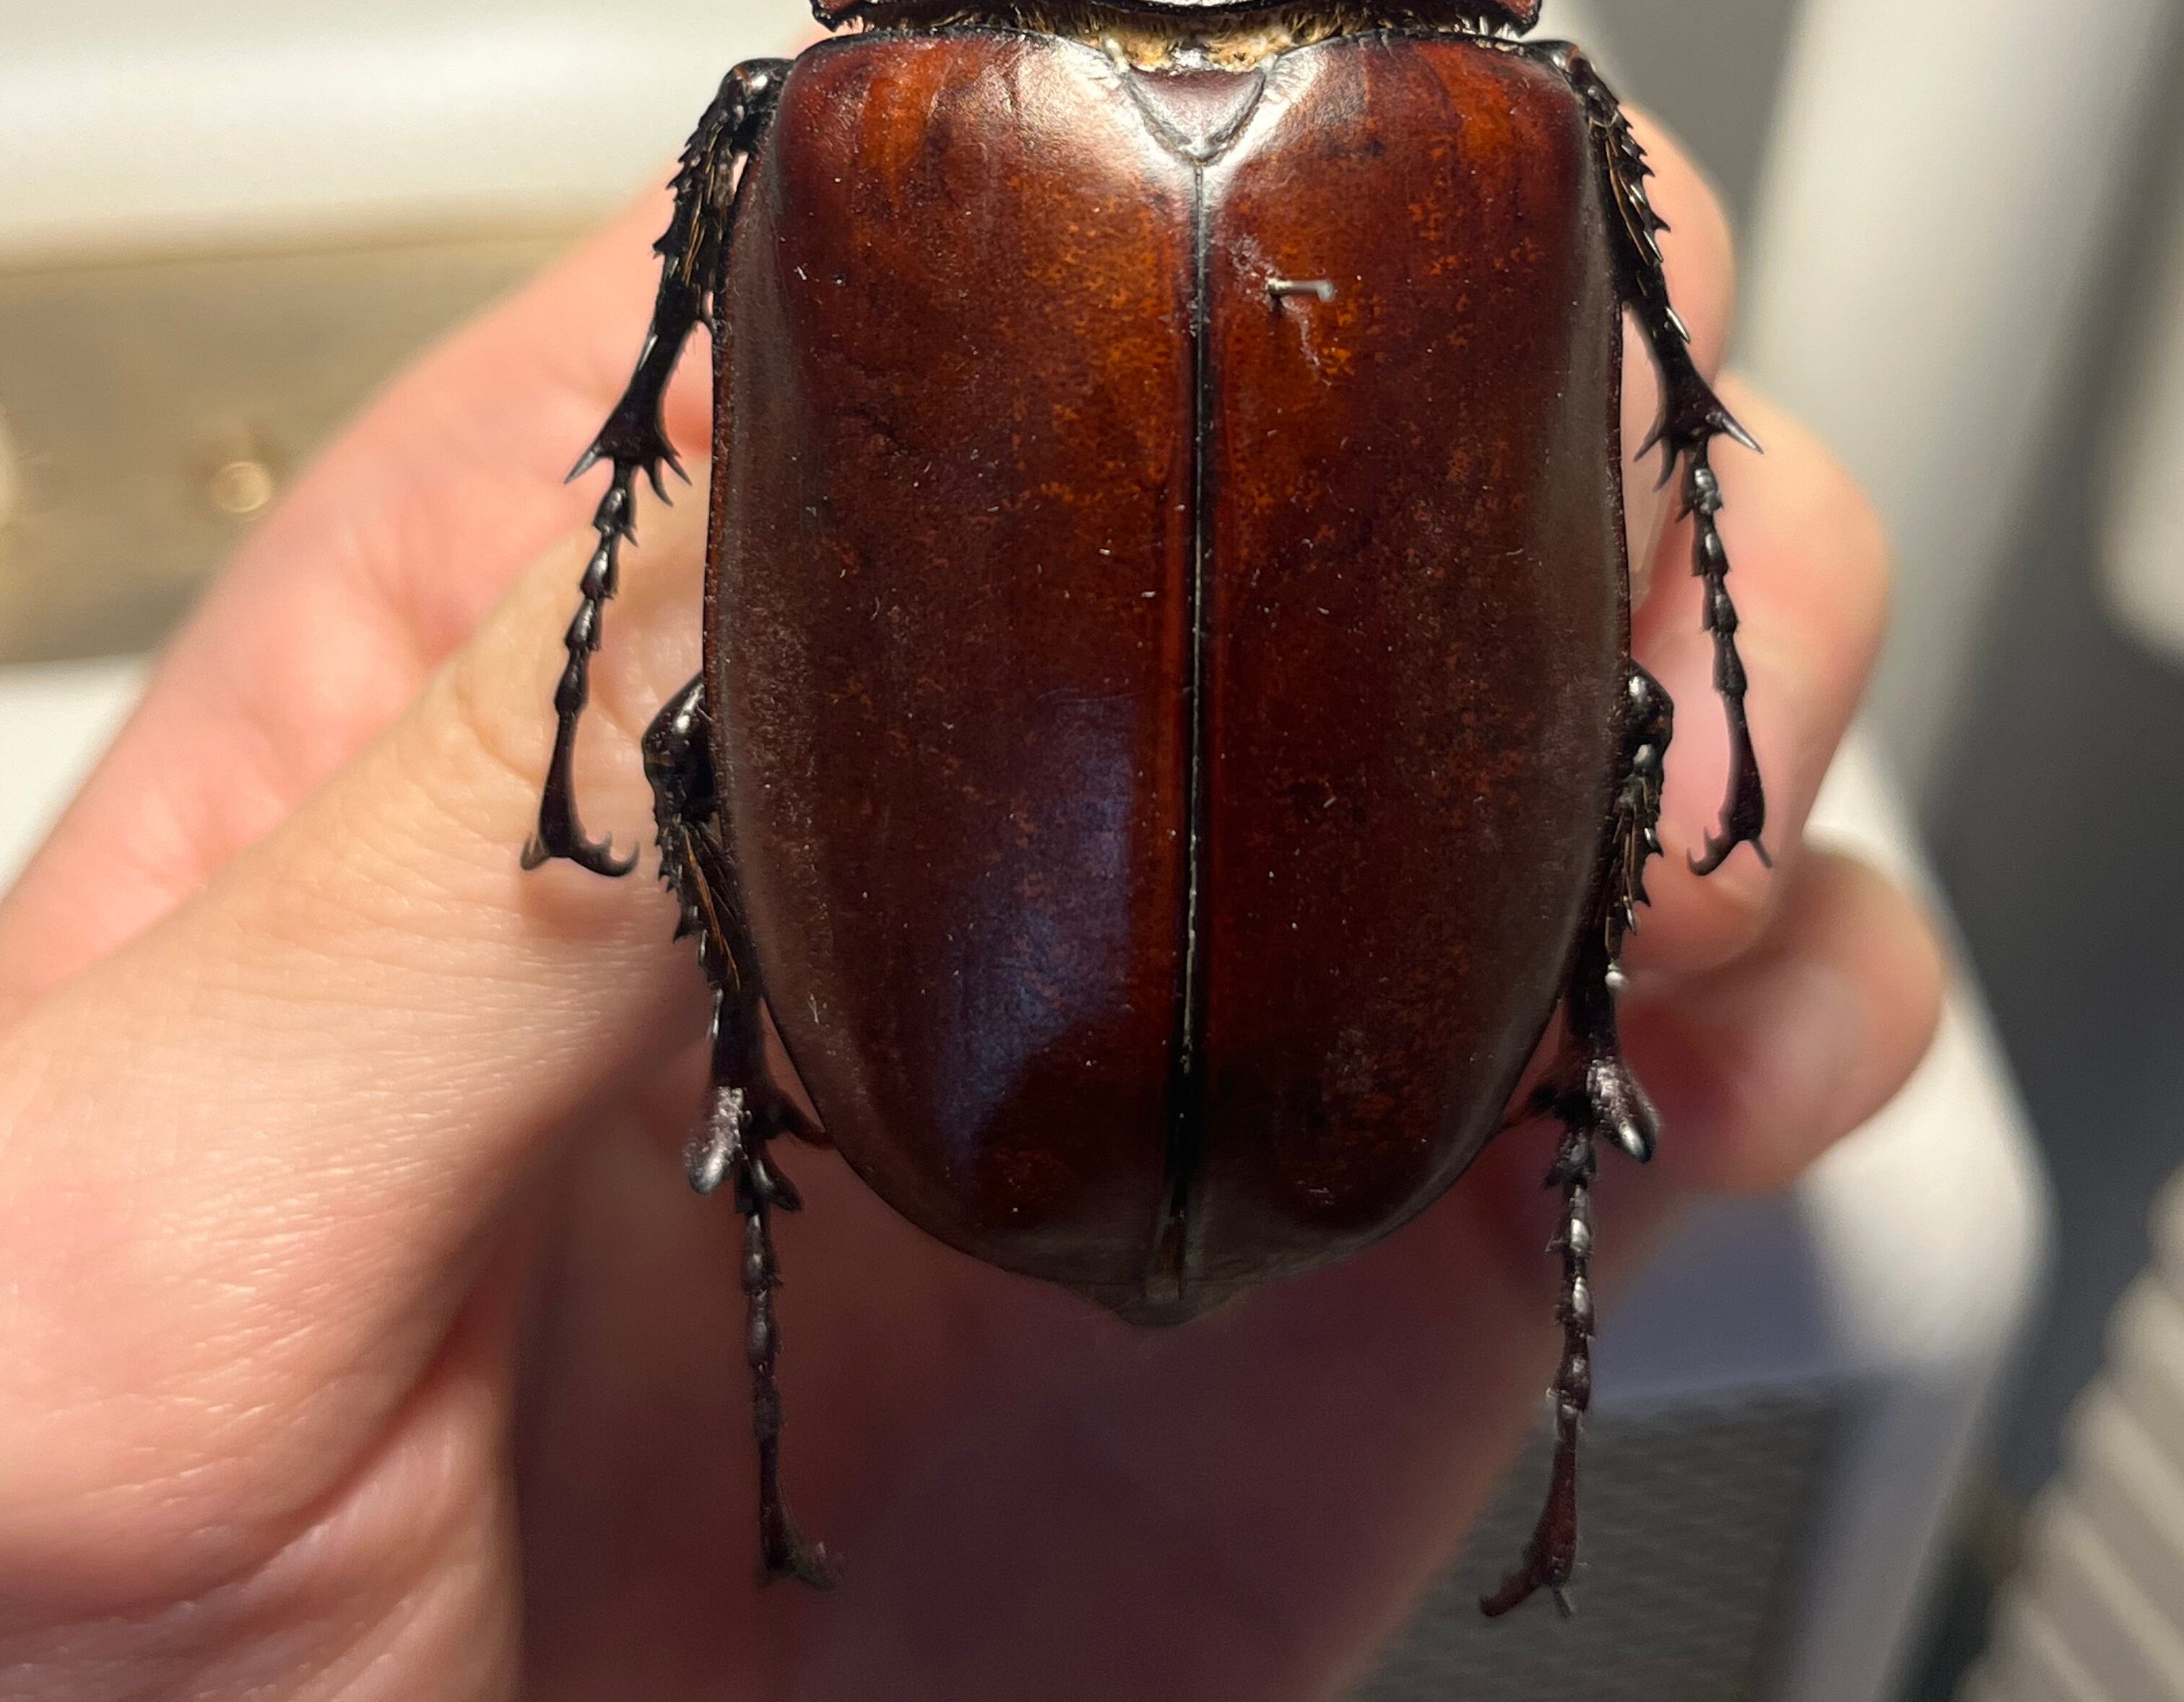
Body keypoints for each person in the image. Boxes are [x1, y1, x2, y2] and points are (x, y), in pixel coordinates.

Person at [0, 118, 1937, 1699]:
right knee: (1645, 721)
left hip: (1066, 1107)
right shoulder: (1501, 136)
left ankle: (770, 1250)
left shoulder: (865, 135)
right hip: (1258, 1108)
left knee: (680, 731)